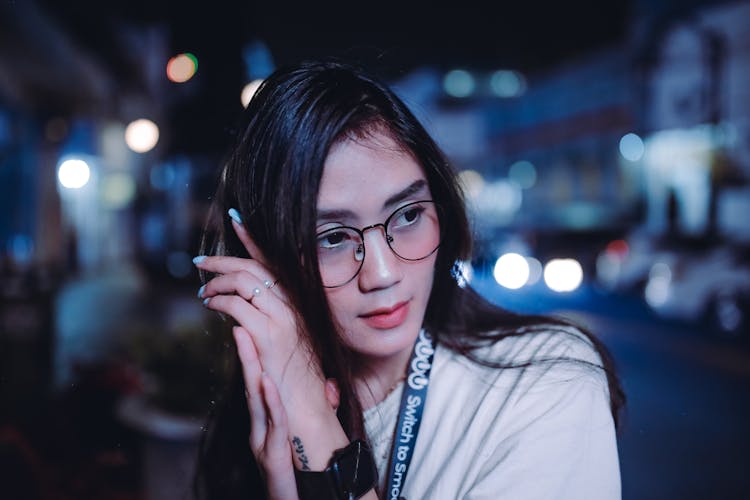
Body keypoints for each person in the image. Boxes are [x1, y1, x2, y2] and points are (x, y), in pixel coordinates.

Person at [192, 59, 624, 500]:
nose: (382, 274)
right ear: (267, 258)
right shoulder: (261, 413)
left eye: (409, 215)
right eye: (334, 238)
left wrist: (313, 423)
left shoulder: (545, 379)